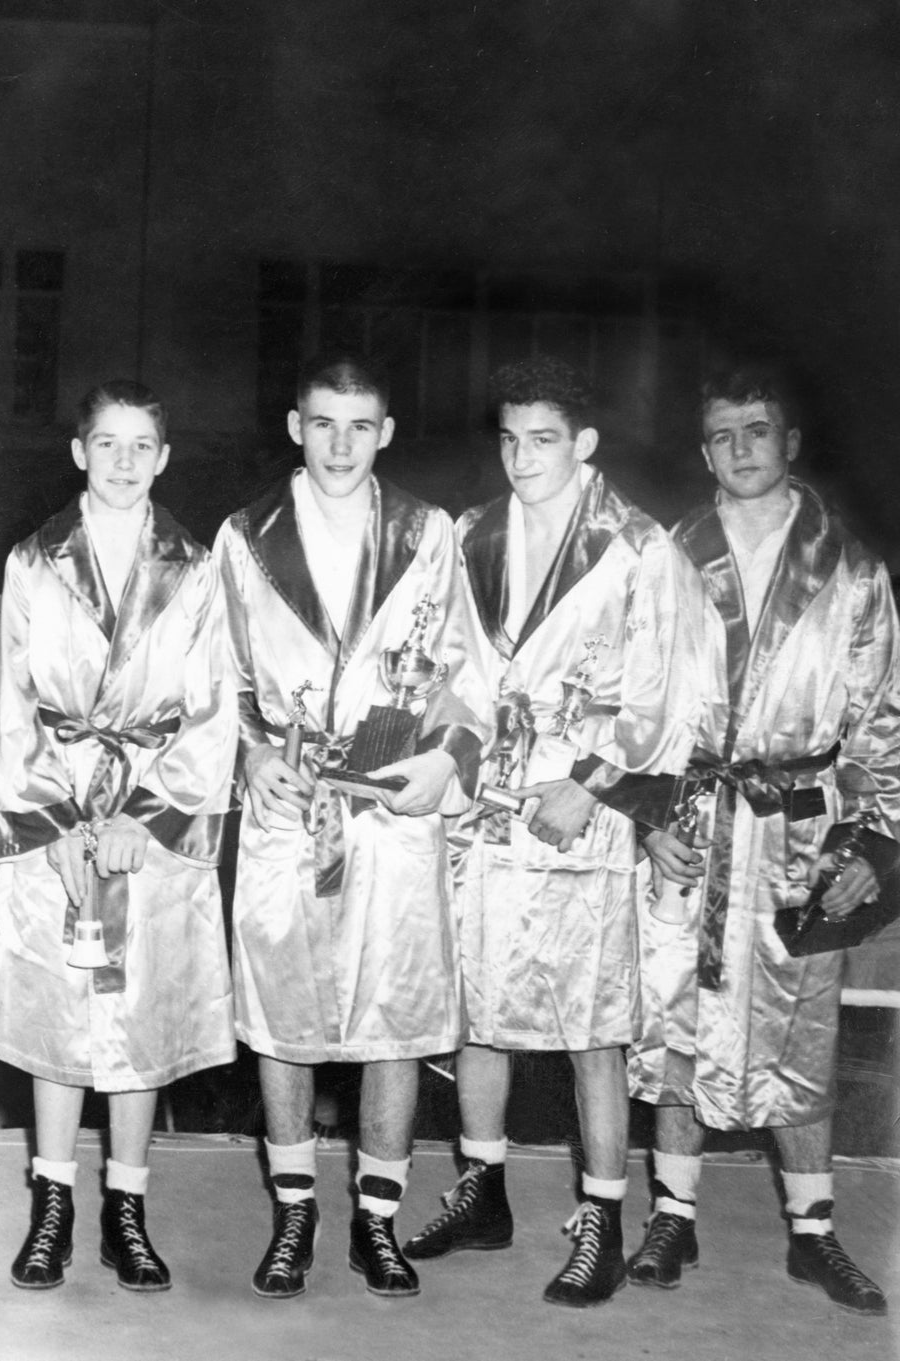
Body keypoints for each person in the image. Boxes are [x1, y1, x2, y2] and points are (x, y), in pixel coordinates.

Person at [405, 357, 689, 1306]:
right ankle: (482, 1190)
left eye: (544, 440)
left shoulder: (640, 547)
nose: (522, 457)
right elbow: (452, 666)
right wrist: (450, 754)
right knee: (477, 1010)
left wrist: (598, 785)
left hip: (581, 811)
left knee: (590, 1025)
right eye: (510, 438)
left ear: (586, 444)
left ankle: (603, 1219)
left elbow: (665, 699)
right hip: (488, 807)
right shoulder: (471, 532)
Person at [214, 354, 490, 1300]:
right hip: (290, 804)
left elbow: (465, 668)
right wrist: (251, 754)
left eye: (359, 425)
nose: (340, 443)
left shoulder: (428, 532)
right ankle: (295, 1212)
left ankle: (378, 1220)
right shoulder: (244, 535)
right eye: (323, 422)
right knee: (285, 1019)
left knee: (396, 1022)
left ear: (387, 432)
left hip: (389, 805)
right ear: (295, 426)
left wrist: (448, 755)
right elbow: (216, 679)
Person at [626, 368, 893, 1317]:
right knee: (672, 1023)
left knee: (802, 1034)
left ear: (790, 444)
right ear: (704, 454)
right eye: (723, 436)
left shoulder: (852, 572)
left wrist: (872, 839)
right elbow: (633, 706)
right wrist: (651, 816)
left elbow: (883, 722)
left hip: (800, 834)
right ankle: (671, 1213)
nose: (741, 449)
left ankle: (814, 1231)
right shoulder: (663, 557)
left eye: (757, 431)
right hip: (692, 826)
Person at [0, 381, 237, 1293]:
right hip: (58, 819)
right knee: (59, 1007)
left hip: (147, 830)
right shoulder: (36, 559)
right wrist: (45, 819)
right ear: (79, 450)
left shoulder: (197, 568)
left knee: (139, 1013)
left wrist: (150, 814)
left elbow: (211, 710)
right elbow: (6, 699)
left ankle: (128, 1203)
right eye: (107, 443)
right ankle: (52, 1201)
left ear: (164, 457)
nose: (124, 461)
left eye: (142, 445)